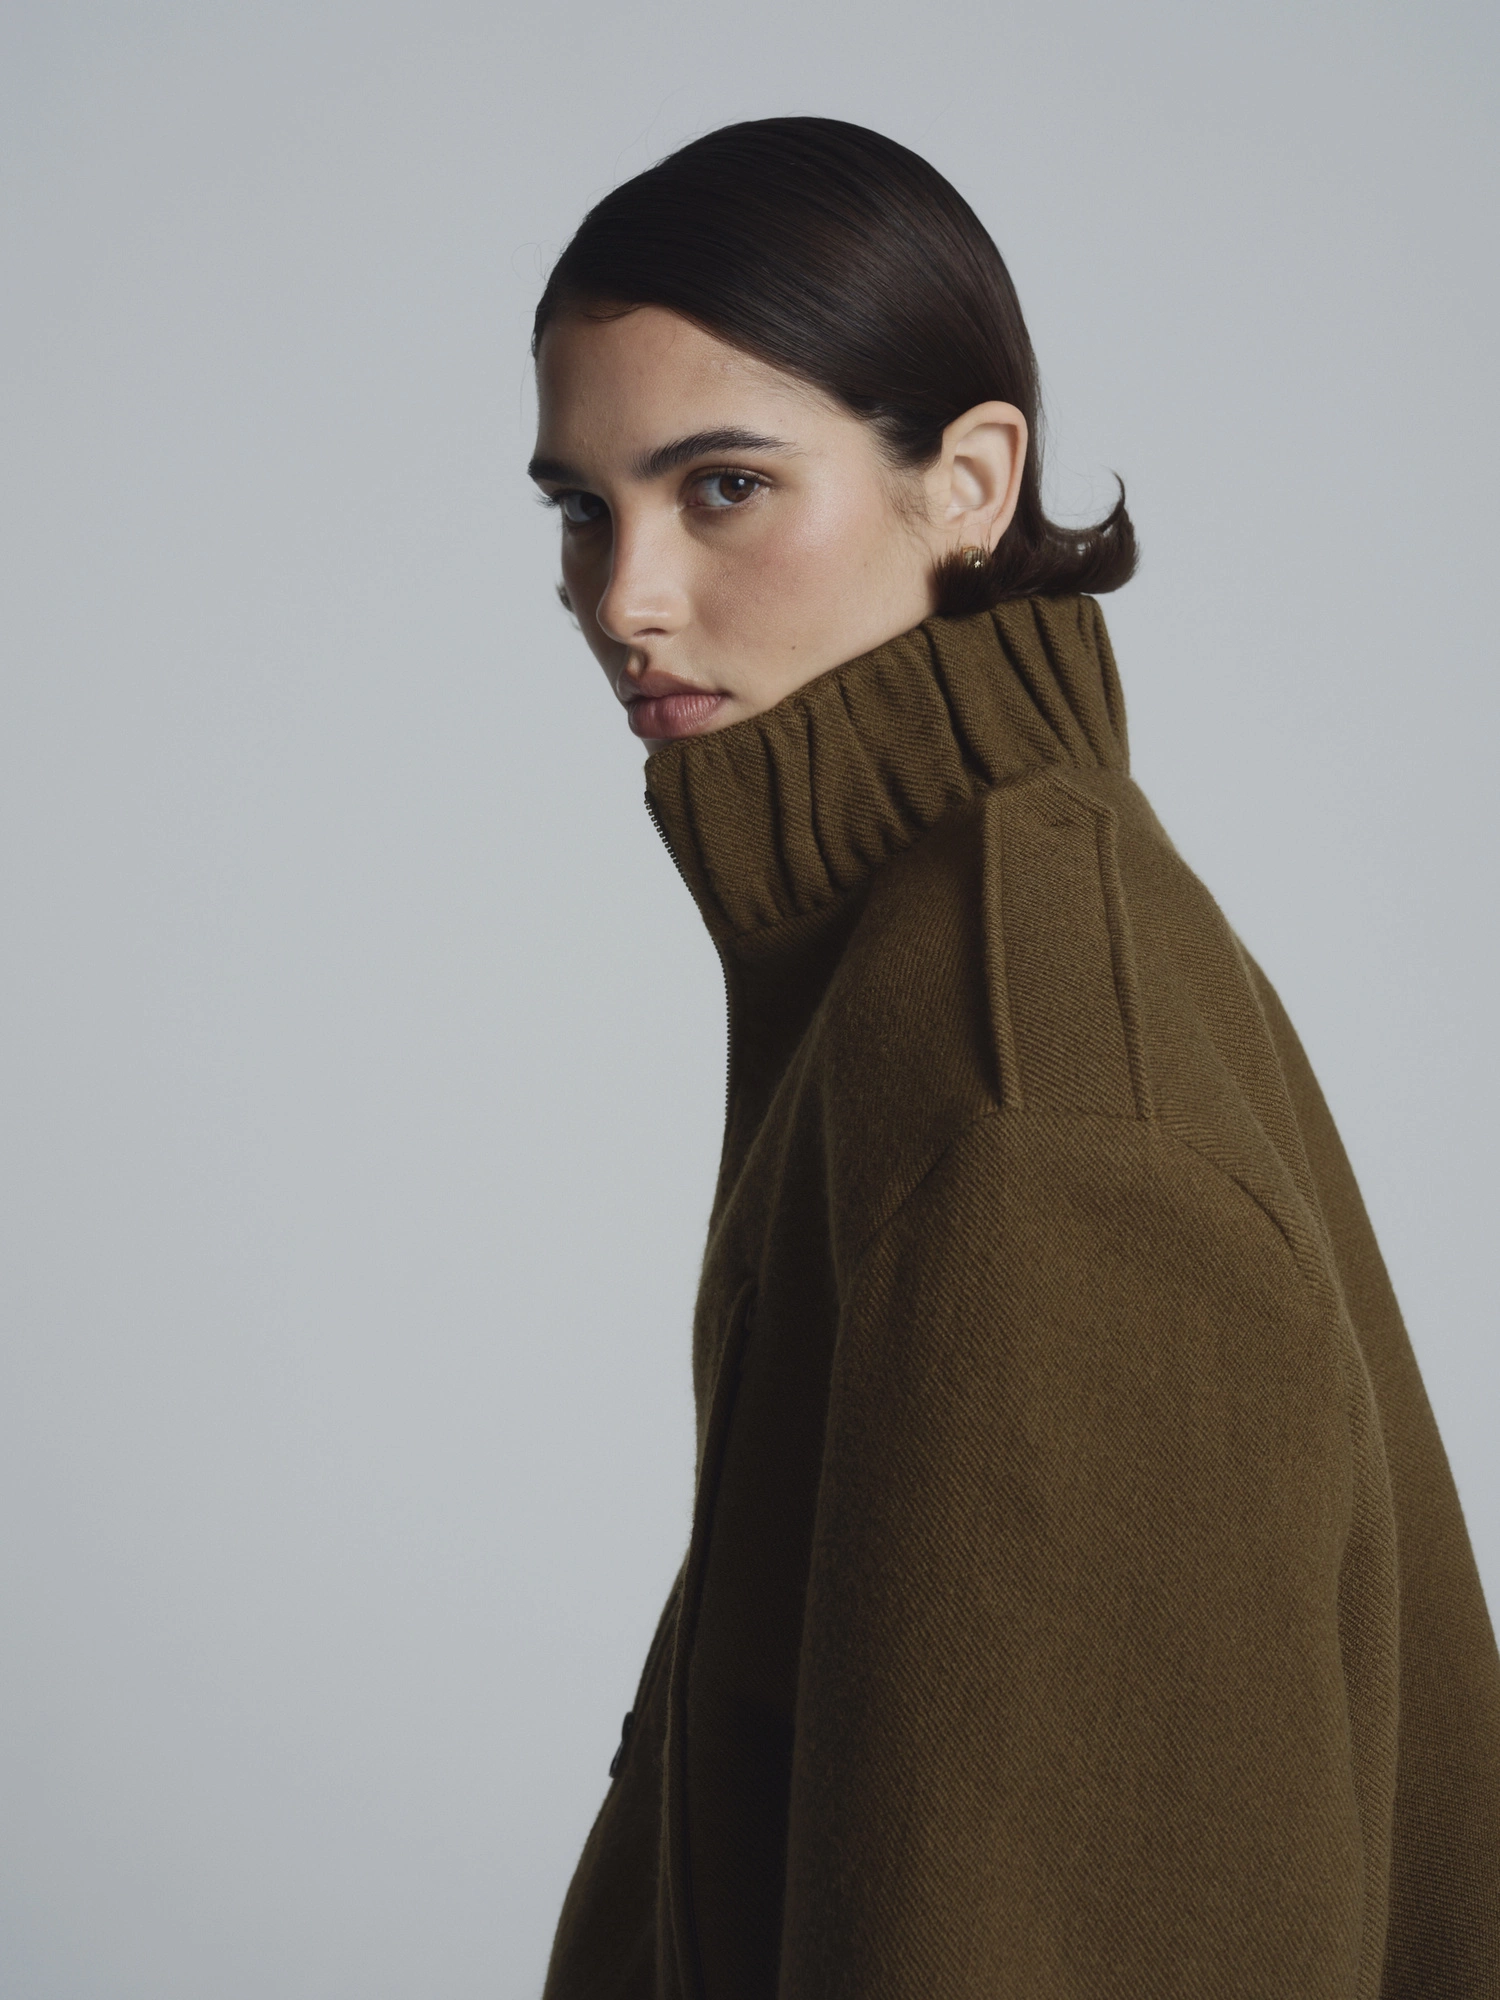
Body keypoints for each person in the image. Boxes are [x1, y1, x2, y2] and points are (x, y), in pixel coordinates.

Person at [525, 116, 1500, 1998]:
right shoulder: (928, 931)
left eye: (722, 487)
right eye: (581, 507)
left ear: (970, 481)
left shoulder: (1026, 1086)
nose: (623, 595)